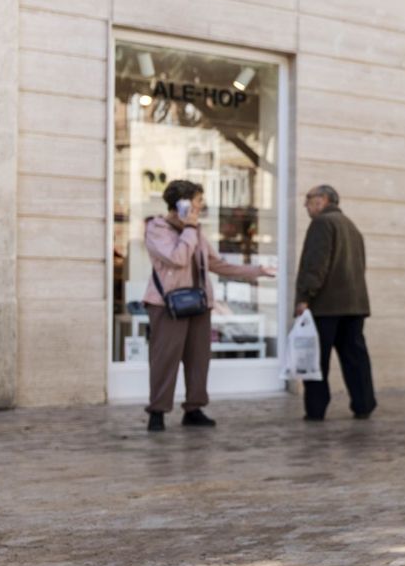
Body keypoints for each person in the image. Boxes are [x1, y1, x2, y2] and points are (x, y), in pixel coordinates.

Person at [143, 179, 275, 432]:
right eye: (198, 200)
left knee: (198, 360)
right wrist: (190, 228)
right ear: (181, 203)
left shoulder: (196, 231)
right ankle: (157, 412)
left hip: (199, 304)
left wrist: (258, 271)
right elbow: (177, 258)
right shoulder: (157, 229)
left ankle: (194, 409)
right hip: (167, 305)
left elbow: (218, 264)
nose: (201, 205)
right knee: (164, 360)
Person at [294, 184, 376, 421]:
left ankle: (316, 409)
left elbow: (315, 264)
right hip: (354, 305)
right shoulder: (351, 226)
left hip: (326, 305)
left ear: (324, 199)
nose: (305, 205)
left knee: (317, 360)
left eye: (309, 199)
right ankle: (364, 404)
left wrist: (304, 297)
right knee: (355, 358)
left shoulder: (322, 223)